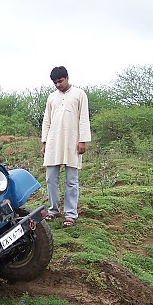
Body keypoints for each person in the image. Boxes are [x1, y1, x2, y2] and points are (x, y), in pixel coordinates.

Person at [41, 66, 91, 227]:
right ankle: (53, 210)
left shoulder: (79, 94)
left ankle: (71, 214)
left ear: (67, 78)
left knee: (71, 180)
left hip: (72, 141)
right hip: (54, 142)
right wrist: (44, 143)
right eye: (55, 82)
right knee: (50, 178)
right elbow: (46, 120)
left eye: (60, 81)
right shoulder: (51, 98)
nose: (58, 85)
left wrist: (82, 140)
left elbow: (84, 118)